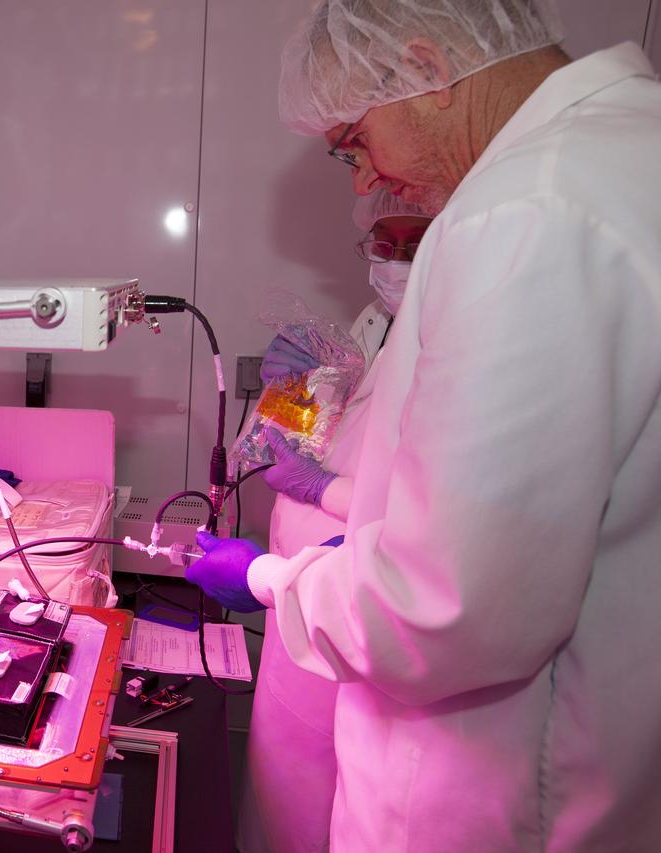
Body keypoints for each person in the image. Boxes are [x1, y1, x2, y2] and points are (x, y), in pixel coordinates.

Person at [188, 1, 661, 848]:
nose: (364, 181)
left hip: (483, 801)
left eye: (354, 142)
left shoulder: (527, 211)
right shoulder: (623, 155)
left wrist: (268, 580)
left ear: (424, 70)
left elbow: (441, 610)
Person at [236, 191, 432, 853]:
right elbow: (323, 436)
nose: (394, 261)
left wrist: (322, 487)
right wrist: (295, 396)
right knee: (280, 781)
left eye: (413, 245)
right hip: (298, 593)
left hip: (353, 610)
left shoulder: (455, 344)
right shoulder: (375, 323)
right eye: (384, 244)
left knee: (324, 799)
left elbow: (424, 514)